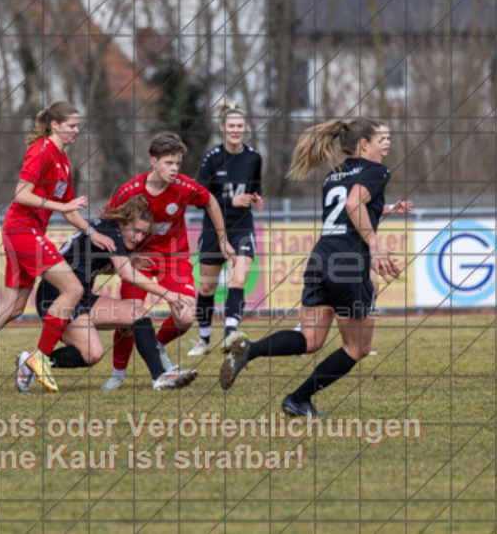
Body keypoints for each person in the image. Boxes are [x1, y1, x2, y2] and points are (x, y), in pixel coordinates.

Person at [220, 118, 410, 418]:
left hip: (321, 258)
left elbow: (347, 209)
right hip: (347, 263)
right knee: (356, 348)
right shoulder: (377, 171)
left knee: (310, 339)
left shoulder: (334, 175)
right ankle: (298, 398)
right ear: (363, 145)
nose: (386, 144)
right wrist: (373, 242)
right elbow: (352, 206)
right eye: (380, 139)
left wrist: (386, 209)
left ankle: (248, 348)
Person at [0, 101, 115, 394]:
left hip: (26, 232)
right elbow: (21, 194)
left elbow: (69, 211)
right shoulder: (43, 149)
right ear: (54, 125)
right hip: (22, 230)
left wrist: (91, 232)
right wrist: (62, 205)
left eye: (78, 126)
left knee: (15, 306)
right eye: (71, 125)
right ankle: (41, 357)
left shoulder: (63, 160)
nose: (76, 131)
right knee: (73, 289)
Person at [16, 197, 199, 391]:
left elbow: (95, 266)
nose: (138, 238)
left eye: (143, 234)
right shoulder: (109, 228)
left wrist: (128, 263)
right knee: (93, 352)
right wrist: (169, 295)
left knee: (133, 317)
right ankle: (31, 363)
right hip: (57, 296)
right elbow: (126, 274)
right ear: (123, 222)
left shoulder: (112, 233)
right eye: (136, 231)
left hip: (82, 296)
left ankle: (159, 376)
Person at [100, 132, 235, 390]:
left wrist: (222, 240)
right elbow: (108, 219)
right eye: (169, 163)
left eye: (177, 163)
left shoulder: (184, 187)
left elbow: (211, 201)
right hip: (139, 261)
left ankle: (159, 345)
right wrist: (124, 254)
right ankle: (118, 374)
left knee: (186, 318)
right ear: (154, 161)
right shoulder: (131, 190)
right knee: (129, 317)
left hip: (174, 258)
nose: (174, 169)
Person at [189, 103, 263, 356]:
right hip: (213, 230)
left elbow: (256, 187)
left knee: (238, 279)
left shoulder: (254, 157)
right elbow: (199, 198)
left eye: (240, 126)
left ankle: (231, 333)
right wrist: (229, 201)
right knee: (207, 287)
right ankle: (204, 339)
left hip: (242, 227)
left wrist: (257, 198)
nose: (235, 130)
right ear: (222, 128)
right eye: (231, 126)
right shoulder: (212, 158)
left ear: (245, 129)